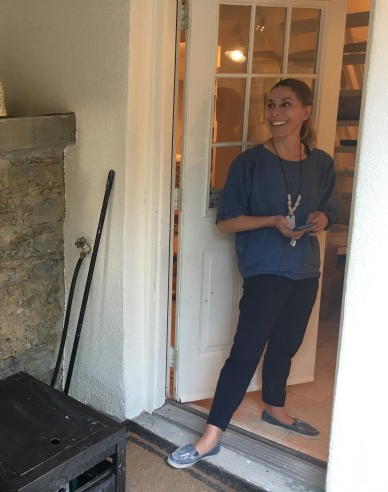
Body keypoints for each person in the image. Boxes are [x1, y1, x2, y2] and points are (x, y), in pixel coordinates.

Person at [167, 78, 337, 469]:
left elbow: (331, 209)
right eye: (271, 104)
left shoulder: (322, 163)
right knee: (245, 352)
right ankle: (211, 437)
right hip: (266, 269)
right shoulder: (249, 163)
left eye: (286, 104)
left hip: (305, 269)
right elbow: (226, 222)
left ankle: (274, 407)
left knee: (286, 345)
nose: (275, 113)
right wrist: (272, 221)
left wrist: (322, 218)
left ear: (306, 111)